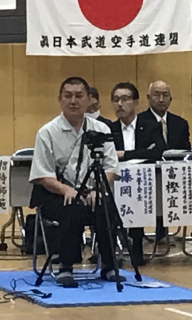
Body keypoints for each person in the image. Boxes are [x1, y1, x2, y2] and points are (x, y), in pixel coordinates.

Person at [29, 76, 122, 288]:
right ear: (60, 100)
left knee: (106, 207)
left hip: (92, 190)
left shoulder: (101, 129)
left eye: (79, 96)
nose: (73, 101)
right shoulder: (47, 132)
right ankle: (66, 266)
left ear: (89, 100)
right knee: (72, 209)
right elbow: (43, 175)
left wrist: (98, 189)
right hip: (57, 194)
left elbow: (110, 167)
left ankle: (109, 265)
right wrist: (65, 190)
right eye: (68, 96)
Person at [110, 82, 166, 265]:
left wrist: (125, 155)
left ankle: (137, 248)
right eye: (116, 100)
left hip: (143, 182)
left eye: (125, 99)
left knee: (137, 198)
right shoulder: (109, 129)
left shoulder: (150, 126)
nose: (120, 104)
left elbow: (156, 151)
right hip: (115, 180)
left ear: (135, 102)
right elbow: (107, 156)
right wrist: (141, 153)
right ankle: (109, 252)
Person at [139, 80, 192, 242]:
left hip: (175, 173)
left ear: (171, 98)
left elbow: (186, 150)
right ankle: (140, 234)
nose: (161, 99)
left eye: (165, 95)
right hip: (148, 174)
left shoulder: (180, 123)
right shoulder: (139, 121)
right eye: (156, 95)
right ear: (148, 98)